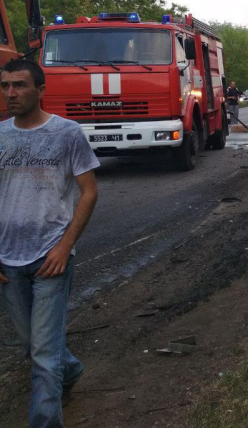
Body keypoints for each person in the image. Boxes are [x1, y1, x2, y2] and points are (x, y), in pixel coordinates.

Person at [0, 58, 100, 427]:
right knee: (32, 345)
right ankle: (70, 370)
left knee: (42, 354)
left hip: (51, 255)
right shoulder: (0, 135)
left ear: (41, 90)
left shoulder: (67, 133)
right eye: (5, 85)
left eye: (20, 85)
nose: (11, 92)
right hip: (7, 258)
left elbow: (88, 192)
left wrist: (64, 246)